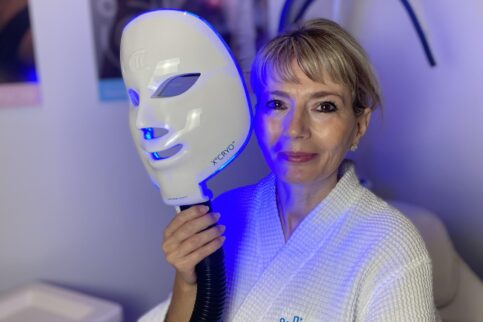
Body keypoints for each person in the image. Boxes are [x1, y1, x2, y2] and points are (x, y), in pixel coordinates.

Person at [139, 18, 436, 321]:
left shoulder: (391, 245)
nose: (294, 129)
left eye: (324, 106)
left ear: (359, 126)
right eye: (277, 104)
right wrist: (187, 283)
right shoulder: (222, 215)